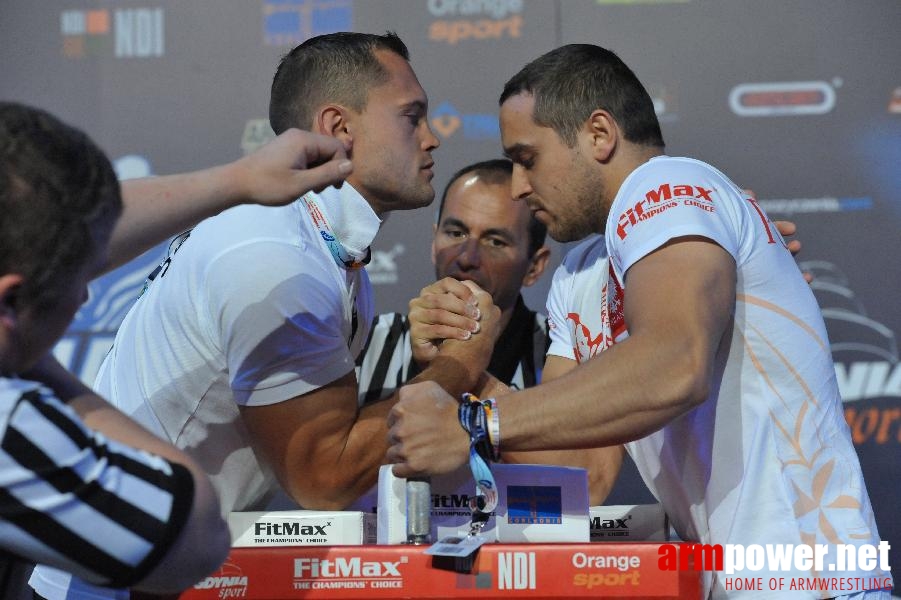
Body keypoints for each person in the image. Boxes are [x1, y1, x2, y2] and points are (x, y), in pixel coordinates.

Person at [386, 45, 892, 598]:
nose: (517, 187)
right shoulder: (579, 273)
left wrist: (475, 422)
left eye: (527, 157)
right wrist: (470, 371)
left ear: (599, 135)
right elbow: (578, 467)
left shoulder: (668, 188)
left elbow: (676, 364)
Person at [34, 30, 502, 600]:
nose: (432, 138)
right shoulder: (280, 260)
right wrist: (459, 368)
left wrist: (428, 365)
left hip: (158, 558)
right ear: (338, 128)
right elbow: (324, 476)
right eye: (412, 117)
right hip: (112, 579)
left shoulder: (317, 242)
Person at [0, 101, 354, 598]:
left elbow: (69, 231)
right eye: (79, 284)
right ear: (11, 302)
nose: (84, 296)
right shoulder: (9, 427)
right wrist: (40, 367)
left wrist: (239, 181)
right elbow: (195, 536)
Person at [357, 158, 550, 404]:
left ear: (534, 266)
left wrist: (457, 366)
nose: (467, 257)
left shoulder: (562, 355)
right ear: (434, 242)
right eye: (456, 233)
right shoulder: (365, 343)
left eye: (495, 241)